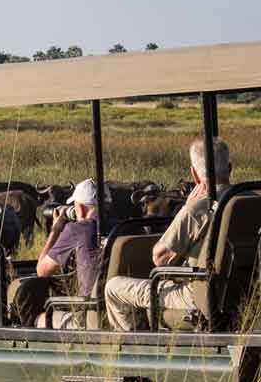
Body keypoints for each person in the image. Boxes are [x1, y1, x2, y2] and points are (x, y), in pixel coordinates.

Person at [104, 138, 232, 331]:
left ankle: (134, 351)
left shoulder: (197, 208)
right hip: (239, 291)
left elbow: (160, 257)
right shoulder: (244, 199)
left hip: (196, 295)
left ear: (194, 175)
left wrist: (186, 207)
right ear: (230, 168)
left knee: (113, 288)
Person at [34, 178, 100, 328]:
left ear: (81, 209)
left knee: (39, 319)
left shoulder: (76, 229)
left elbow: (41, 270)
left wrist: (56, 230)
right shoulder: (119, 226)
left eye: (74, 207)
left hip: (88, 314)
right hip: (113, 308)